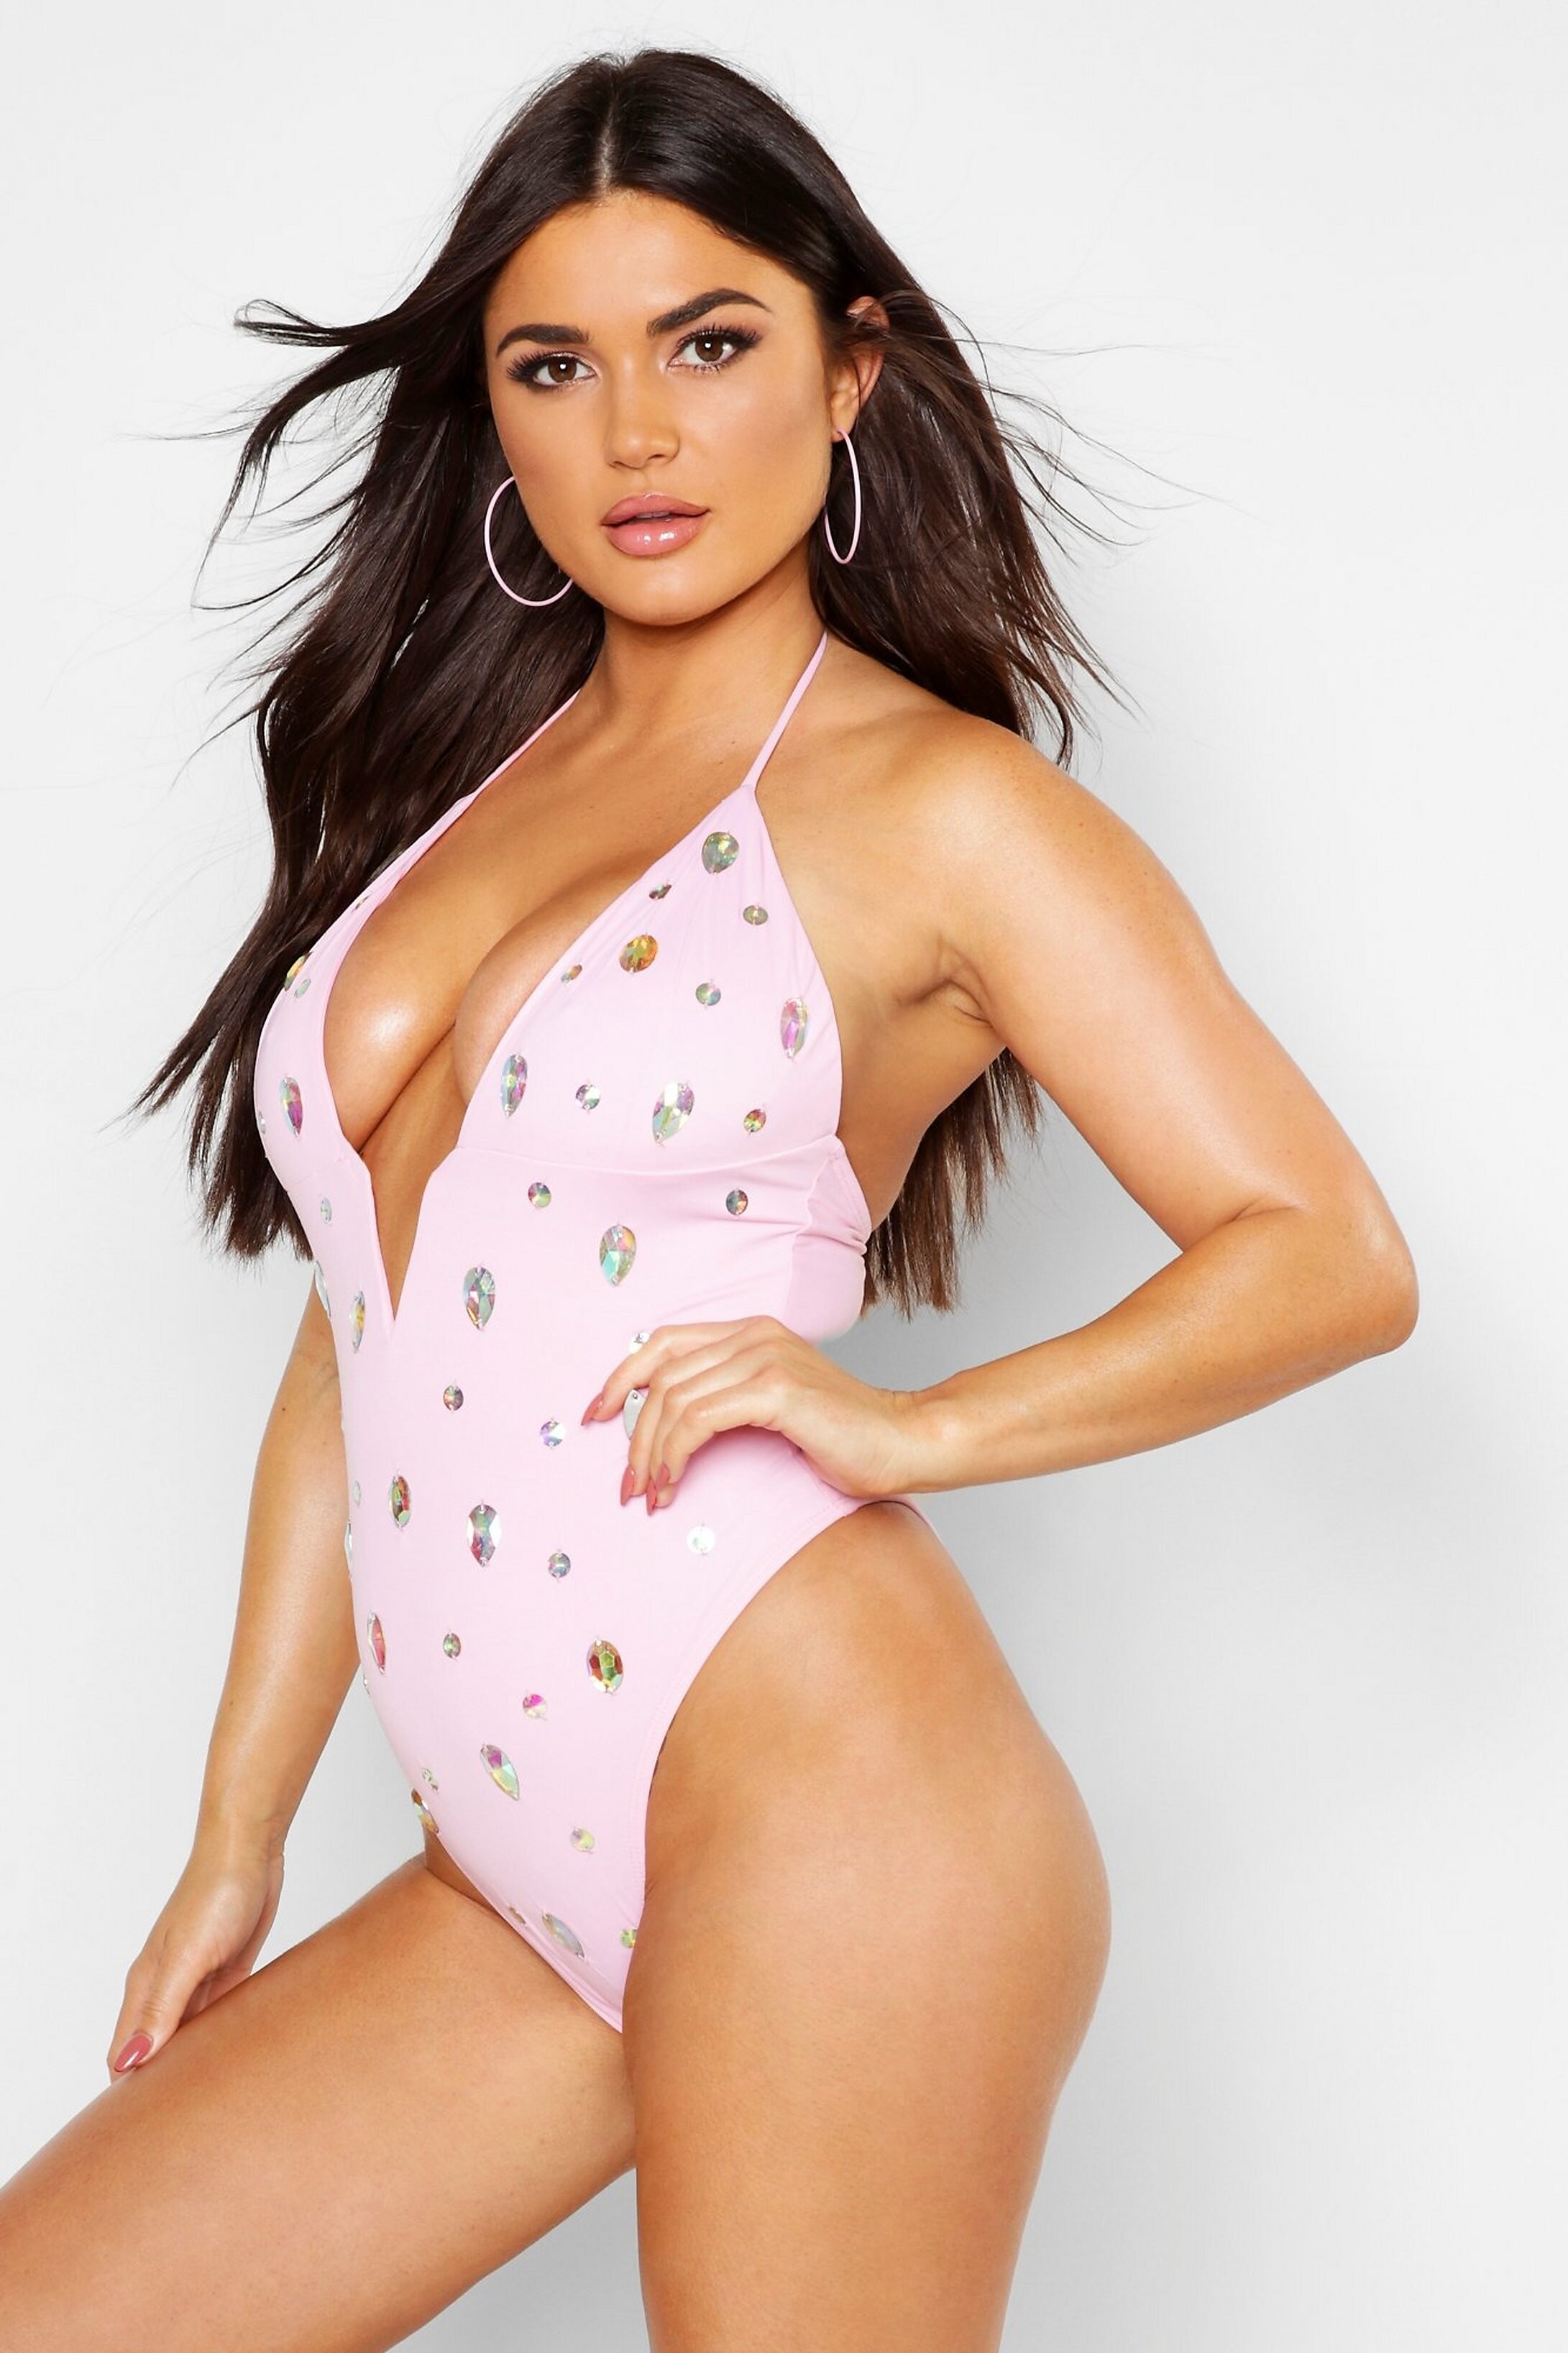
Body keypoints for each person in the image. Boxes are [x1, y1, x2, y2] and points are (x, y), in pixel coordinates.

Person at [0, 44, 1418, 2352]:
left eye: (711, 343)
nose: (636, 434)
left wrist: (910, 1423)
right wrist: (238, 1827)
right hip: (508, 1864)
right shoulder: (461, 789)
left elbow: (1329, 1253)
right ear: (494, 415)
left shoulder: (944, 812)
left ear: (850, 371)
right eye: (555, 366)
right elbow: (370, 1325)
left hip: (837, 1807)